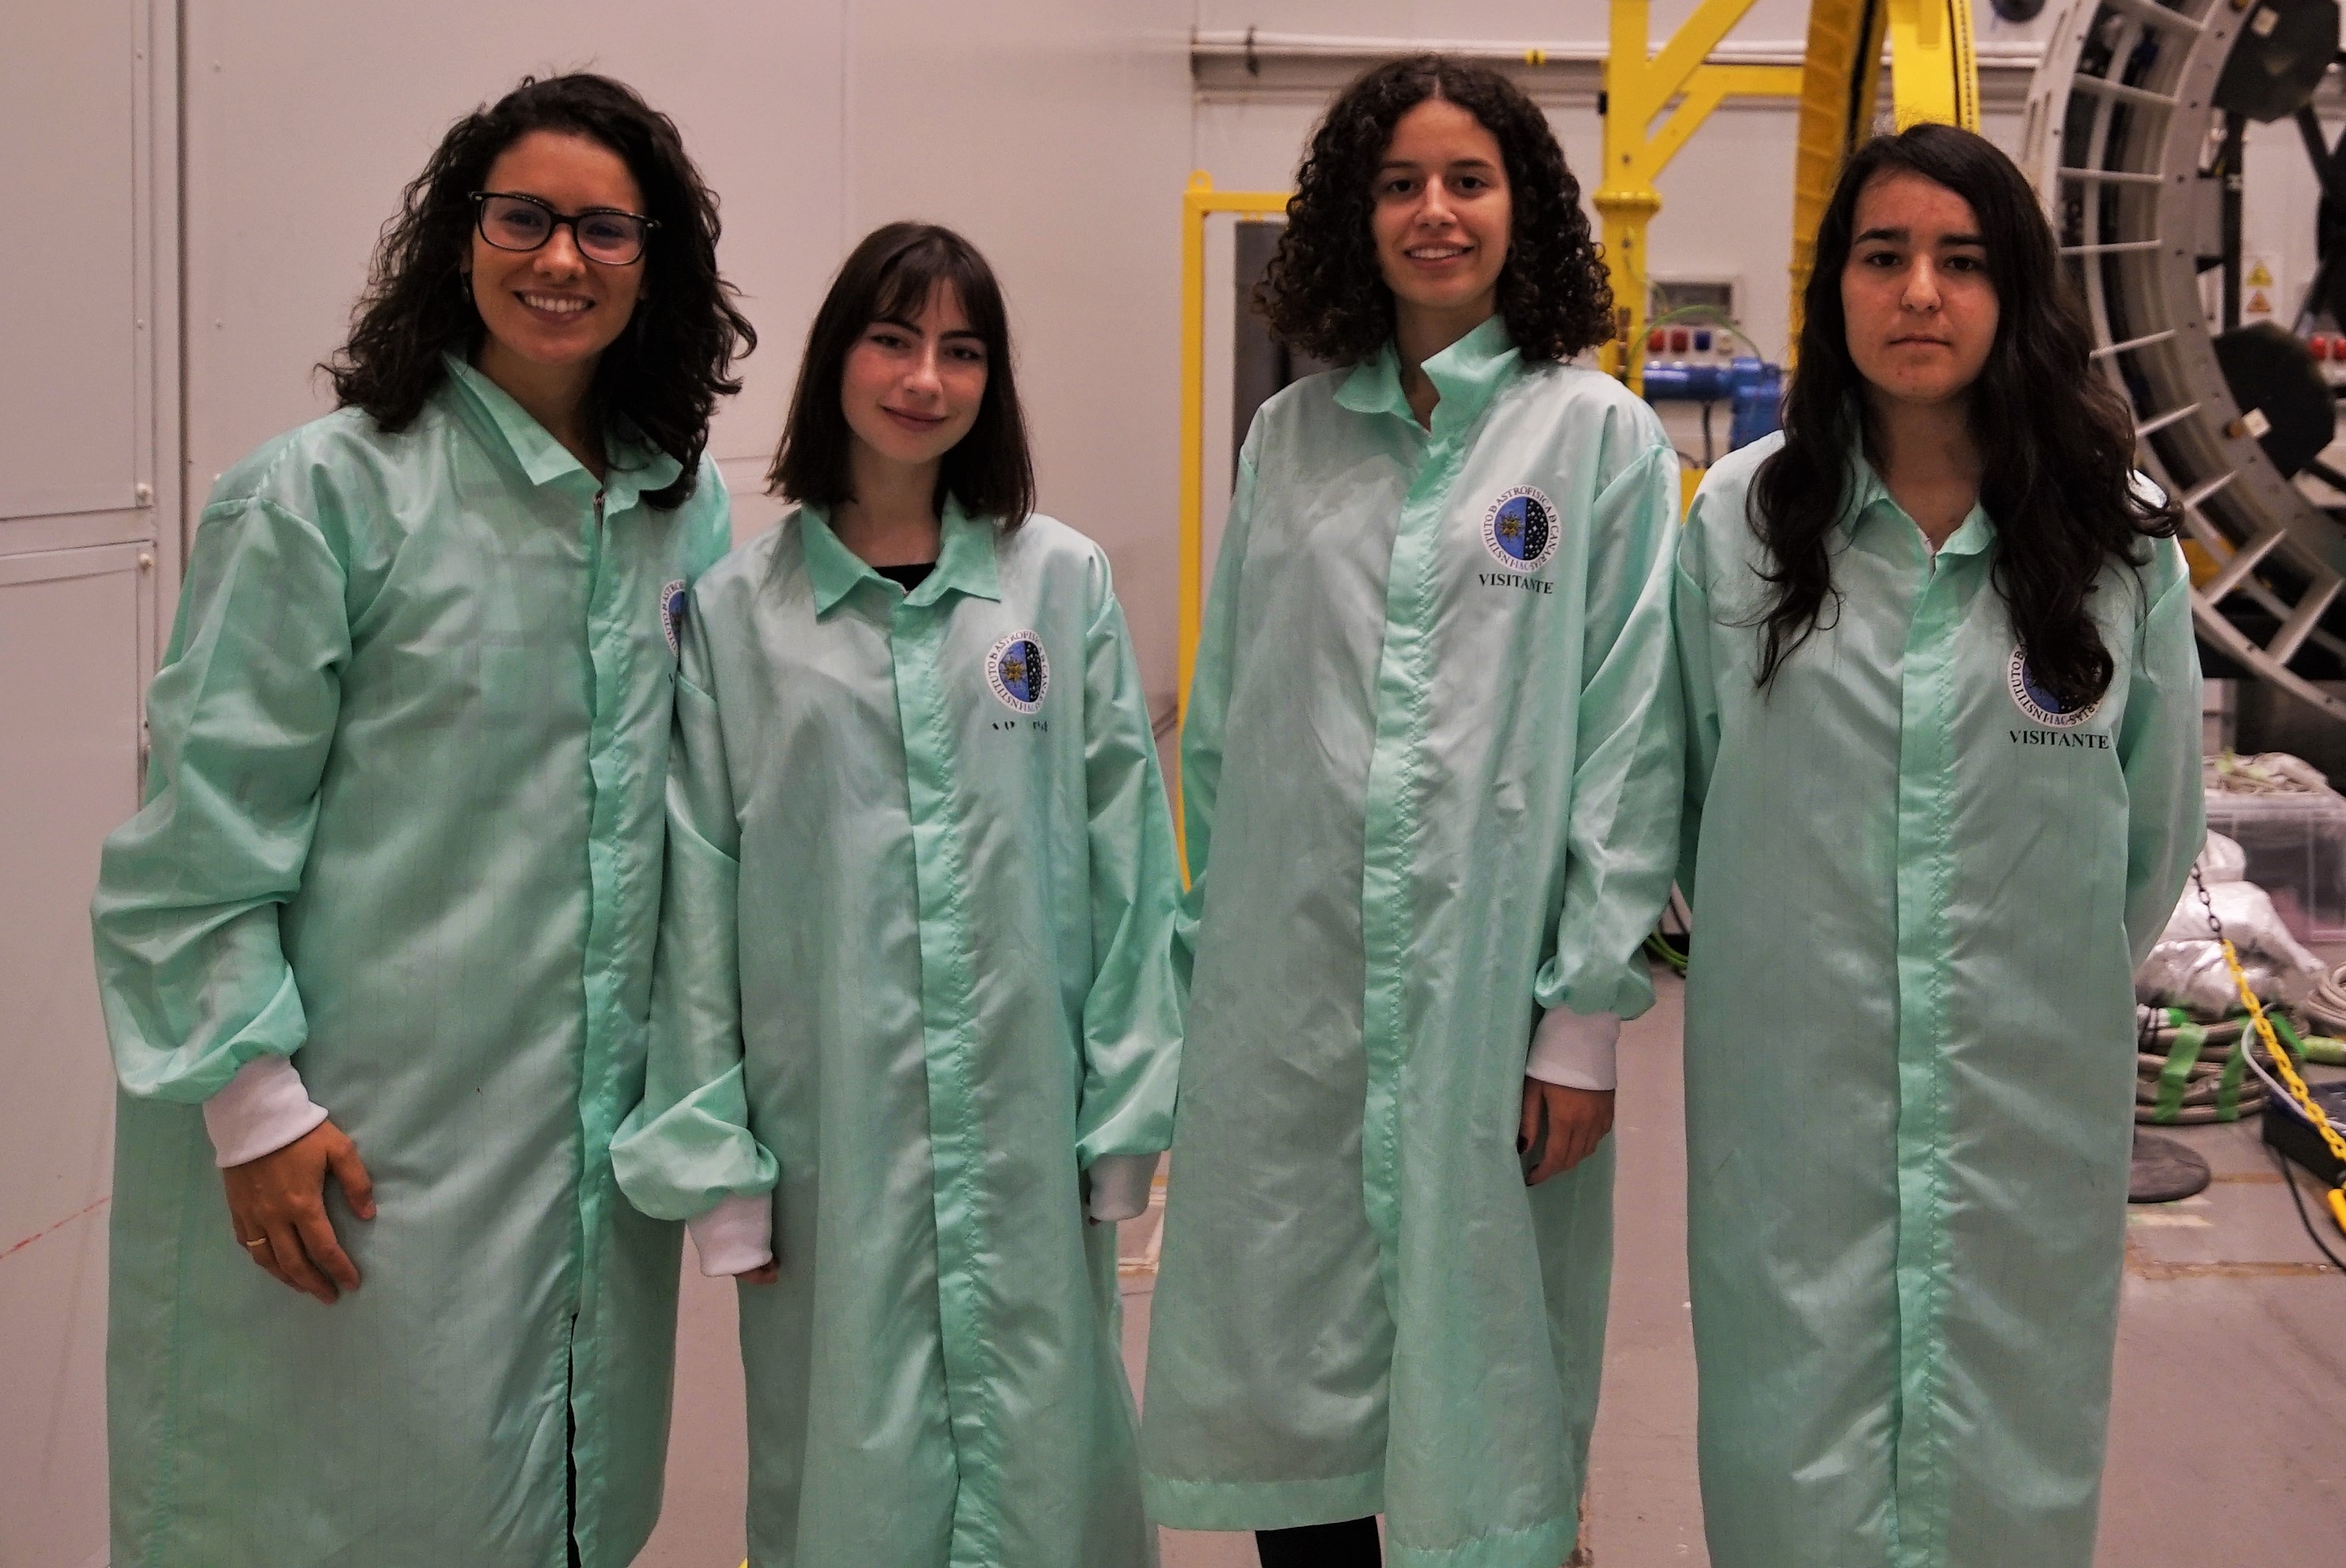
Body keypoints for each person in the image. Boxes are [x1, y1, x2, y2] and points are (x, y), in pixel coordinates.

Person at [89, 73, 754, 1567]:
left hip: (576, 1154)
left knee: (557, 1506)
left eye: (604, 229)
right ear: (460, 237)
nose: (561, 259)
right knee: (332, 1514)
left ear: (654, 265)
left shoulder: (680, 511)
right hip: (351, 1147)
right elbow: (196, 842)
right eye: (523, 218)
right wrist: (253, 1107)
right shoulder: (320, 499)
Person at [1139, 55, 1683, 1568]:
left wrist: (1581, 1021)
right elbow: (1230, 727)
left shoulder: (1598, 440)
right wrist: (1205, 978)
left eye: (1468, 180)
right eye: (1399, 185)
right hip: (1291, 1003)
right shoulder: (1291, 438)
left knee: (1483, 1402)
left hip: (1487, 1005)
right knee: (1292, 1389)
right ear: (1353, 219)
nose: (1434, 212)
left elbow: (1629, 741)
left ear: (1524, 210)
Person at [610, 222, 1181, 1567]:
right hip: (831, 1144)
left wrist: (1129, 1109)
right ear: (835, 362)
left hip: (1032, 1127)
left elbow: (1129, 861)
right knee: (848, 1473)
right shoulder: (739, 615)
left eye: (961, 351)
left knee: (1050, 1465)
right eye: (893, 339)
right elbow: (699, 898)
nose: (926, 378)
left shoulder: (1059, 584)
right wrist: (717, 1164)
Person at [1675, 123, 2203, 1568]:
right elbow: (1695, 800)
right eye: (1883, 256)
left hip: (2025, 1107)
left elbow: (2152, 834)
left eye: (1961, 262)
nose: (1919, 292)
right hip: (1794, 1106)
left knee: (2009, 1463)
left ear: (2014, 293)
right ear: (1834, 290)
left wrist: (2018, 987)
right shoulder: (1740, 526)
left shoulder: (2117, 543)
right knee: (1791, 1456)